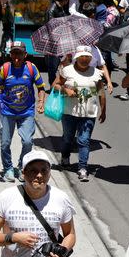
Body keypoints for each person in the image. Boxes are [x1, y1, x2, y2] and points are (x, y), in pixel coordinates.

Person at [0, 41, 46, 182]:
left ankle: (23, 167)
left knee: (28, 142)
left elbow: (41, 88)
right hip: (7, 112)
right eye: (14, 53)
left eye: (19, 53)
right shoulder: (4, 69)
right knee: (5, 143)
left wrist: (41, 102)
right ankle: (8, 169)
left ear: (25, 54)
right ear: (10, 54)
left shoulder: (31, 68)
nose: (16, 57)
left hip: (26, 112)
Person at [55, 45, 106, 182]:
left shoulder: (96, 73)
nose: (84, 60)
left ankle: (83, 168)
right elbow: (57, 85)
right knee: (68, 138)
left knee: (84, 140)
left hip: (89, 113)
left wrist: (103, 110)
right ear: (76, 58)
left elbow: (101, 92)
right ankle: (65, 157)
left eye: (87, 57)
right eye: (82, 57)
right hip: (69, 112)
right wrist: (66, 90)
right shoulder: (67, 70)